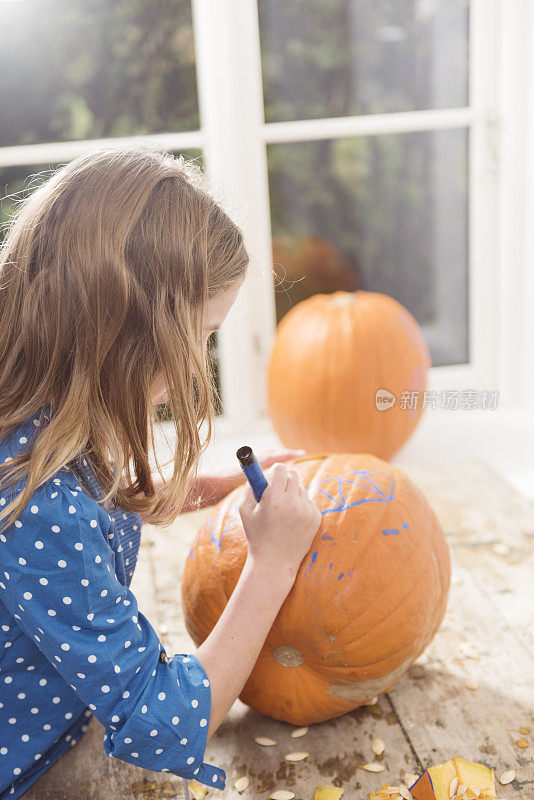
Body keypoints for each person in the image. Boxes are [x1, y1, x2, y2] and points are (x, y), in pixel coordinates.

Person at [0, 146, 321, 798]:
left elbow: (90, 503)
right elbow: (167, 725)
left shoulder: (32, 418)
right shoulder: (36, 503)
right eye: (198, 338)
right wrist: (272, 566)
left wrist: (210, 490)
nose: (194, 369)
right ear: (121, 333)